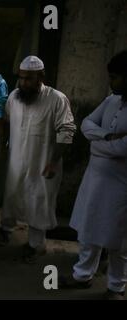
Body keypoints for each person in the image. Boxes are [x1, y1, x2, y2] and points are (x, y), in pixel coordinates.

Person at [60, 51, 127, 300]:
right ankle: (82, 275)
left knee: (118, 239)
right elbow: (86, 123)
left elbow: (124, 148)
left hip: (121, 185)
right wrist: (107, 138)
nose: (112, 81)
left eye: (116, 77)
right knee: (90, 230)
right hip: (95, 179)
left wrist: (98, 145)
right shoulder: (110, 101)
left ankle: (116, 286)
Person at [0, 56, 76, 263]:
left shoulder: (57, 99)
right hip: (17, 159)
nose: (23, 83)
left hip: (43, 163)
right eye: (21, 78)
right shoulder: (14, 97)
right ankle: (6, 230)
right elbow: (7, 121)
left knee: (38, 201)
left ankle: (36, 245)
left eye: (29, 79)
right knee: (13, 194)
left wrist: (53, 161)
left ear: (41, 77)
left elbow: (67, 131)